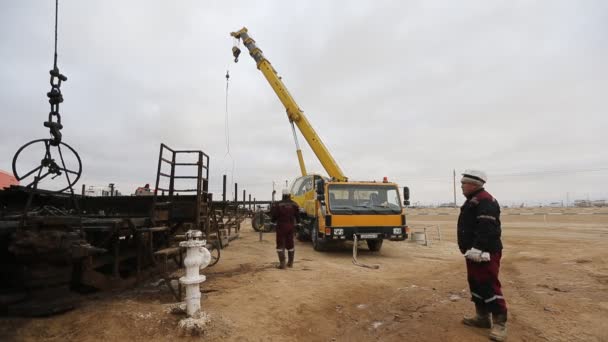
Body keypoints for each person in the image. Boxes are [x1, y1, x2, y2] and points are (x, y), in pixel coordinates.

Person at [457, 169, 507, 342]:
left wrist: (478, 248)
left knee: (488, 285)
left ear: (473, 184)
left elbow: (487, 227)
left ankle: (500, 324)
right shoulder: (474, 200)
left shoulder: (485, 201)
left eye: (464, 183)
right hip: (473, 253)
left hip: (485, 252)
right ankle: (482, 317)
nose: (461, 186)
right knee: (476, 283)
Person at [270, 189, 300, 269]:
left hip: (281, 226)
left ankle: (282, 264)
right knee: (290, 244)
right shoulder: (294, 204)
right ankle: (290, 263)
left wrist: (272, 223)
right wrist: (298, 224)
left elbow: (274, 215)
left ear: (283, 195)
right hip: (290, 226)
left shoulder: (278, 204)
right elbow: (298, 216)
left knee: (280, 244)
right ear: (289, 195)